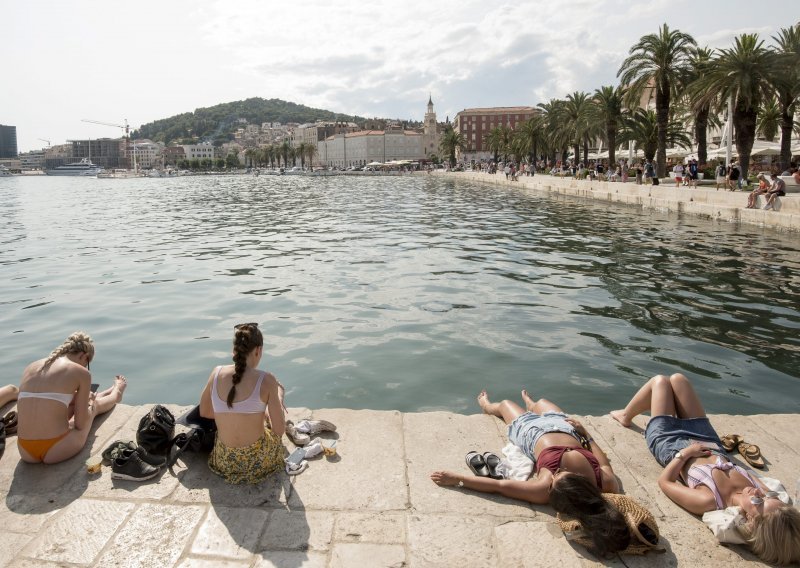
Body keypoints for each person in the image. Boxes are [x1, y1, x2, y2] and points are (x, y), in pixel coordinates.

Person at [611, 373, 800, 565]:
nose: (760, 492)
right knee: (678, 379)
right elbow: (780, 515)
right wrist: (769, 500)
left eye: (758, 500)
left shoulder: (709, 500)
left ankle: (626, 416)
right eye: (768, 496)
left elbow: (665, 482)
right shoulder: (754, 489)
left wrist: (685, 454)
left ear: (750, 520)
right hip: (706, 436)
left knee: (660, 381)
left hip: (670, 442)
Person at [430, 390, 629, 554]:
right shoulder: (605, 482)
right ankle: (532, 405)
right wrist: (587, 434)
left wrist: (457, 479)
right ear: (582, 482)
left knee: (504, 404)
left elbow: (499, 486)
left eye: (555, 476)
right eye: (563, 473)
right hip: (567, 428)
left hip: (530, 432)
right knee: (542, 401)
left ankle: (486, 406)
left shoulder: (543, 489)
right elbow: (604, 463)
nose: (558, 471)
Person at [16, 332, 126, 464]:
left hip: (24, 449)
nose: (85, 367)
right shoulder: (82, 373)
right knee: (94, 407)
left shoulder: (30, 366)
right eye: (87, 363)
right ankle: (116, 393)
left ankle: (107, 392)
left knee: (71, 402)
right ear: (83, 356)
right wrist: (90, 403)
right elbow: (80, 424)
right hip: (57, 448)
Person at [199, 322, 286, 484]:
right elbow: (279, 430)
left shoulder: (216, 373)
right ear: (258, 350)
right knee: (271, 429)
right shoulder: (266, 379)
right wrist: (279, 395)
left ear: (234, 350)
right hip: (258, 463)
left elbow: (204, 412)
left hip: (224, 461)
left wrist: (232, 413)